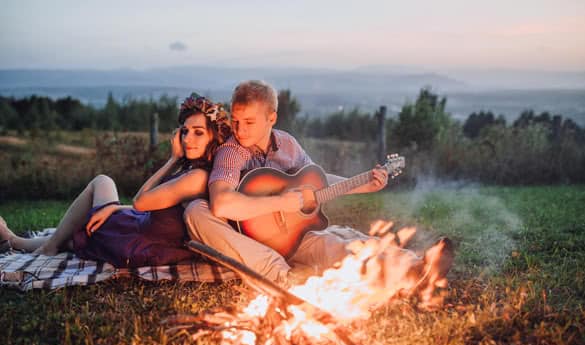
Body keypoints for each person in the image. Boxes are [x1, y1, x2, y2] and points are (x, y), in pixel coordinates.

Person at [183, 80, 453, 300]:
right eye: (236, 120)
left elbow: (316, 181)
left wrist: (362, 184)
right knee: (197, 211)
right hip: (251, 242)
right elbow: (222, 204)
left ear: (271, 118)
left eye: (249, 122)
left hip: (292, 234)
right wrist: (280, 203)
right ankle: (284, 279)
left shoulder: (288, 144)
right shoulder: (232, 152)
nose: (240, 129)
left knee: (344, 244)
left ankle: (415, 268)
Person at [0, 93, 231, 268]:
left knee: (100, 185)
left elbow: (141, 201)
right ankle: (18, 241)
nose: (188, 138)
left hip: (143, 242)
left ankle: (37, 245)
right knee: (80, 228)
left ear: (214, 137)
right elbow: (155, 207)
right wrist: (116, 208)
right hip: (144, 226)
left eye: (198, 132)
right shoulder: (198, 171)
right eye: (185, 131)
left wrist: (172, 159)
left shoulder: (197, 177)